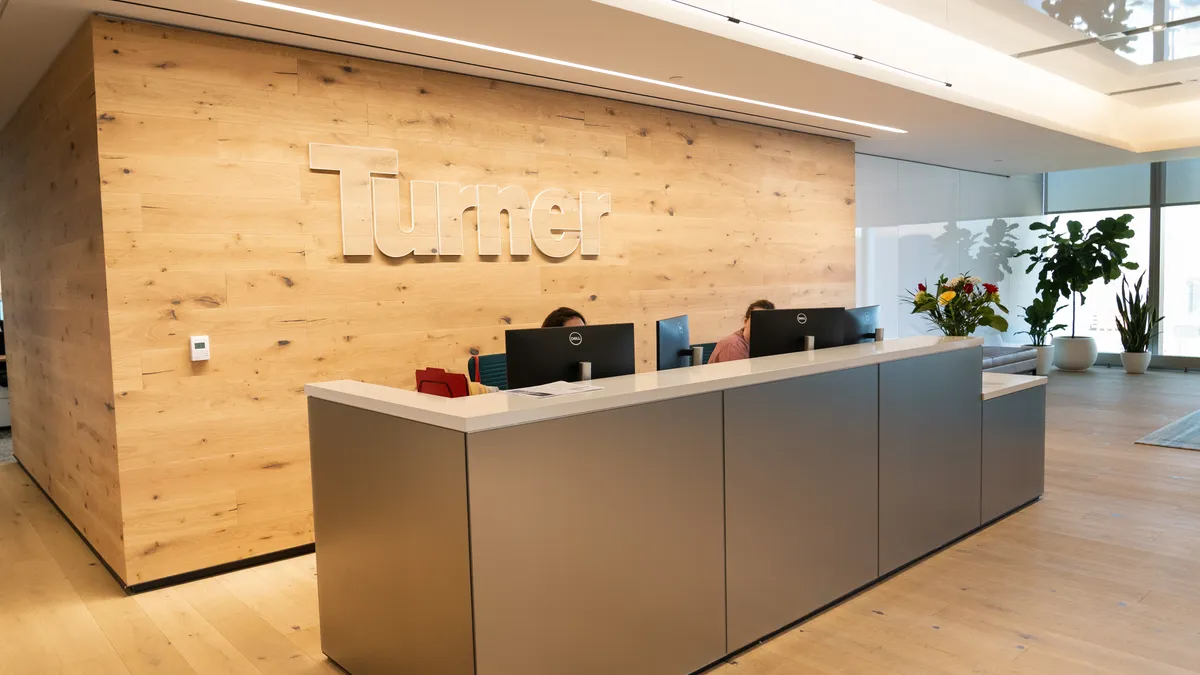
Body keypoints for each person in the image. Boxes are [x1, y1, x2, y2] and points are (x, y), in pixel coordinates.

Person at [708, 299, 775, 363]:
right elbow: (741, 374)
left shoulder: (764, 344)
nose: (762, 325)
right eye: (758, 320)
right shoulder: (733, 345)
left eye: (766, 321)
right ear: (745, 321)